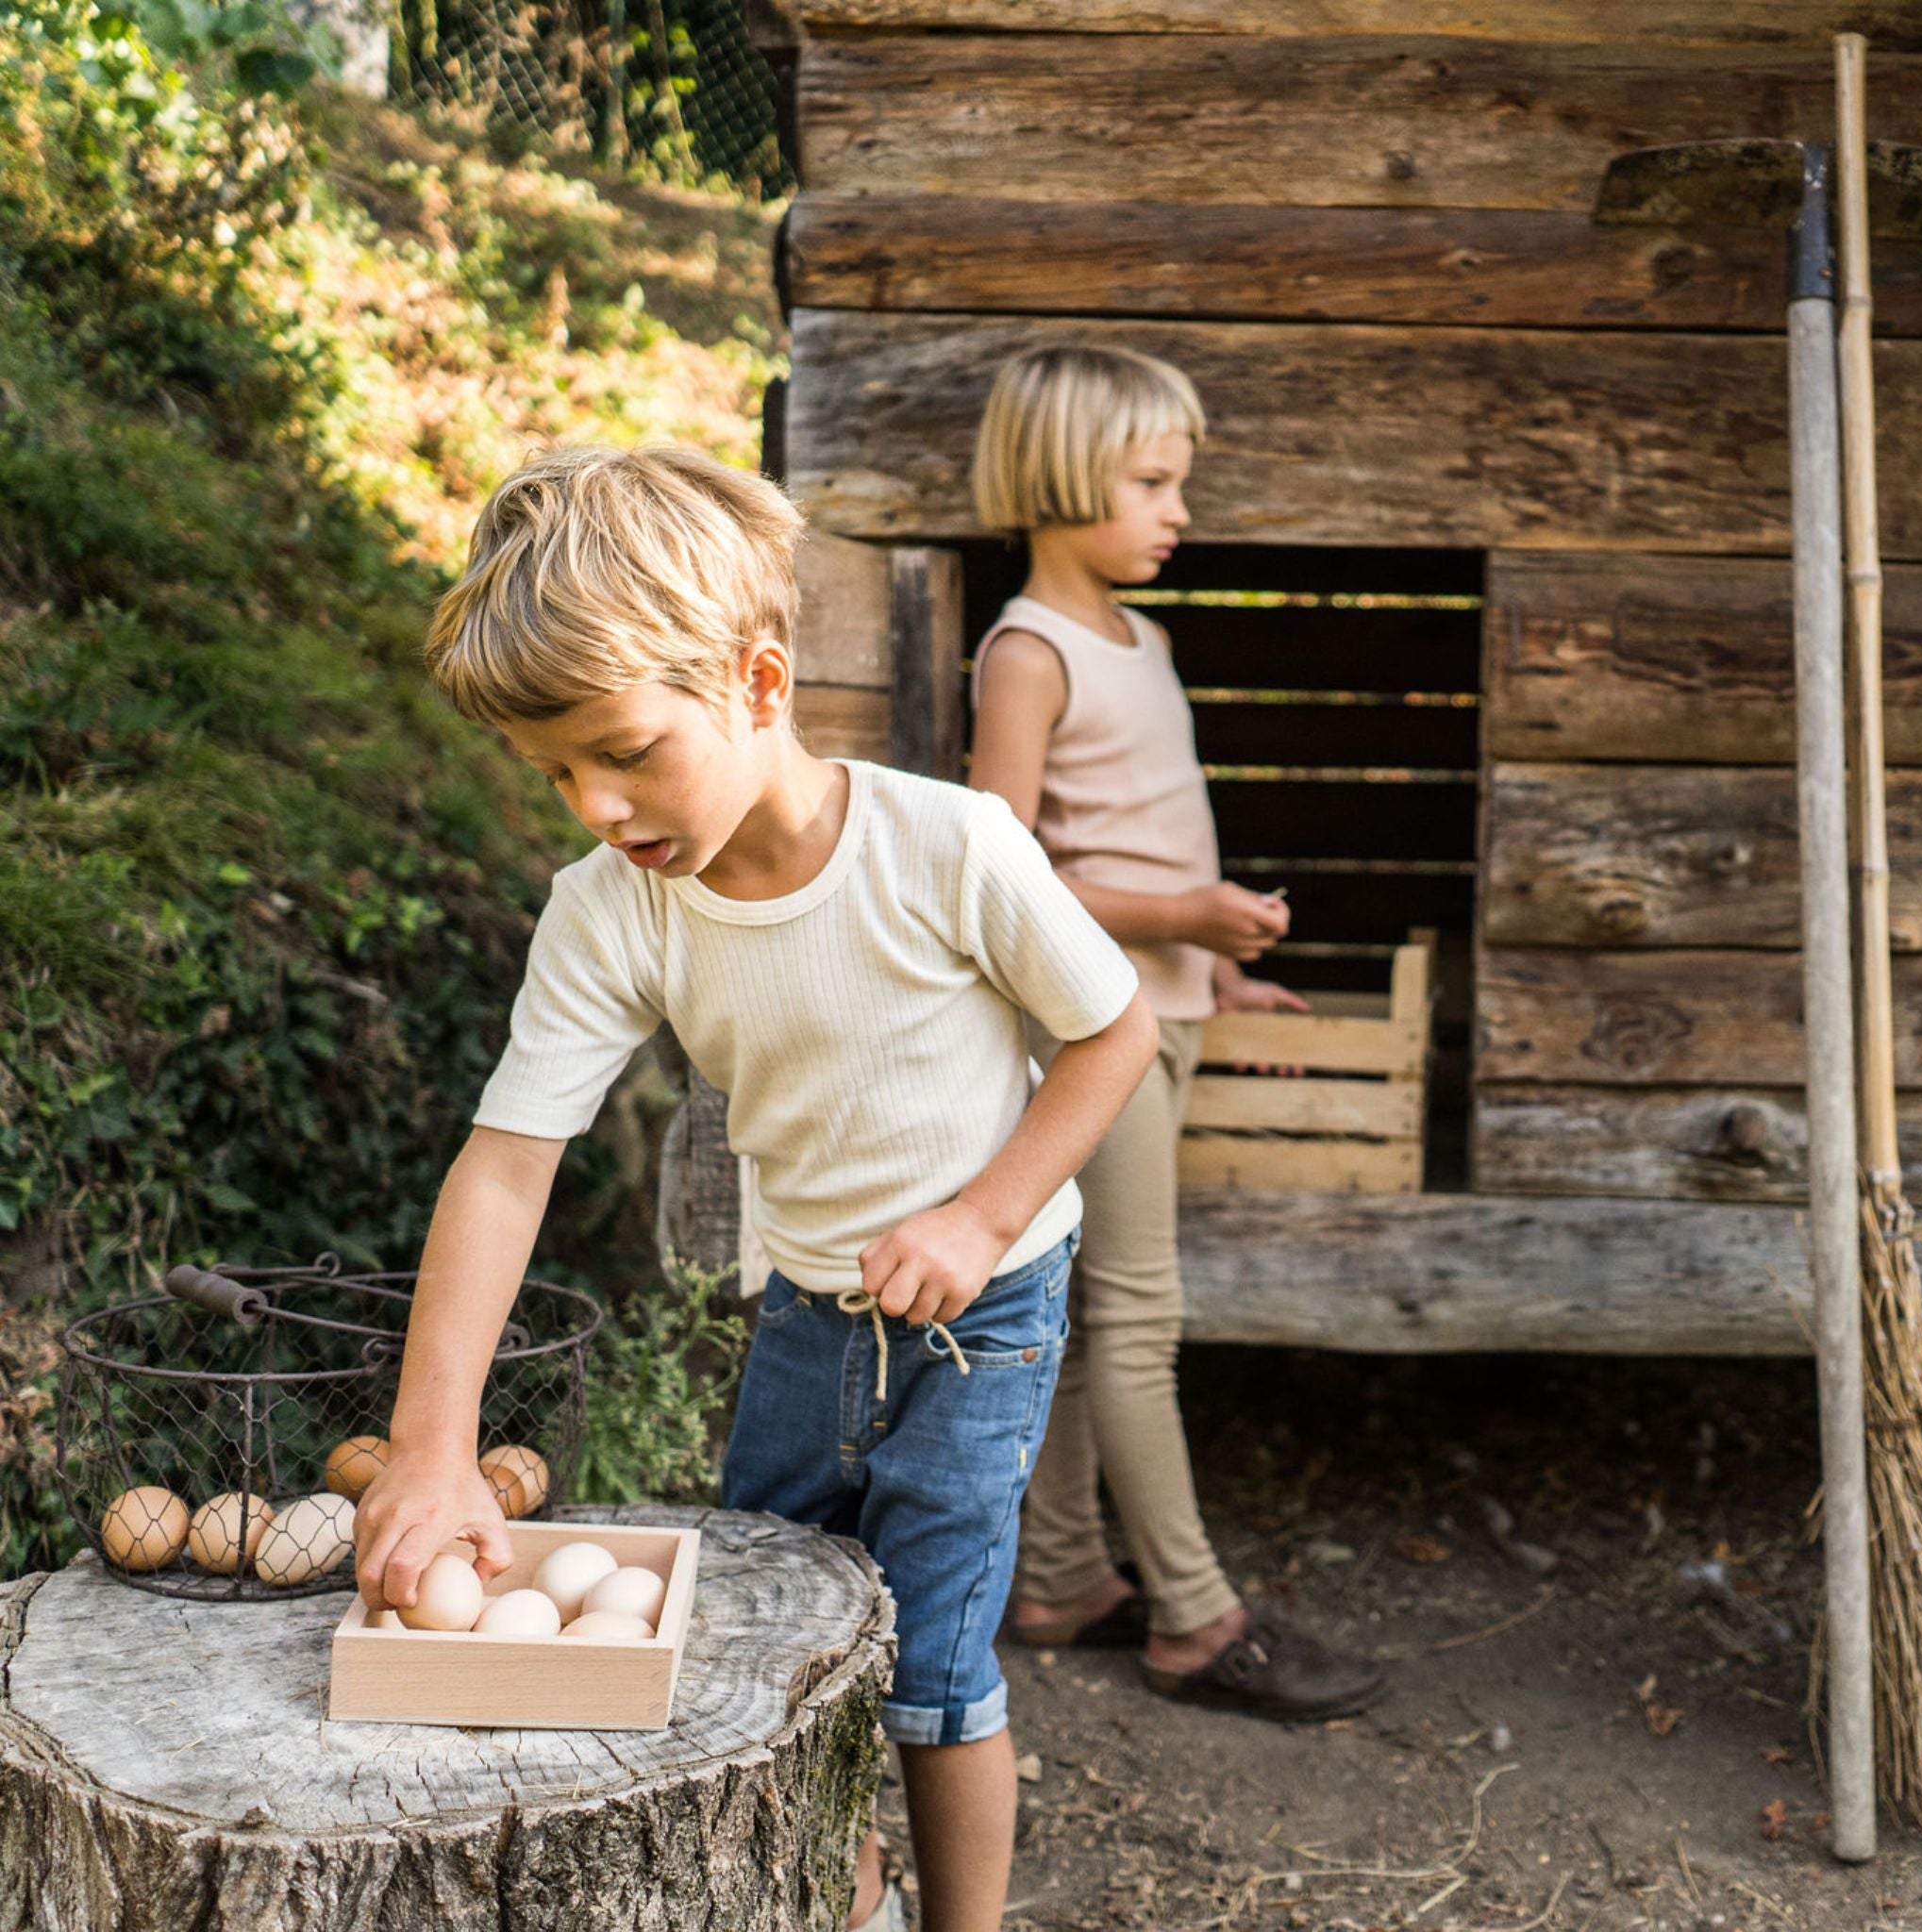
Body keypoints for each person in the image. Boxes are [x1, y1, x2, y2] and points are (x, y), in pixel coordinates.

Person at [351, 443, 1158, 1932]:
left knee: (931, 1674)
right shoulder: (613, 912)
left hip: (986, 1317)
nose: (597, 805)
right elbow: (508, 1165)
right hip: (805, 1312)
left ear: (759, 682)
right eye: (556, 774)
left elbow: (1115, 1033)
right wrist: (432, 1444)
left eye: (624, 751)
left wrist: (980, 1217)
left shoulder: (947, 847)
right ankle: (848, 1910)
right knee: (775, 1642)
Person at [967, 344, 1385, 1723]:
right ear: (1063, 477)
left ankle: (1060, 1579)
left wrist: (1214, 972)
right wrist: (1190, 915)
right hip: (1096, 1033)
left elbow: (1143, 833)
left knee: (1099, 1322)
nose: (1180, 511)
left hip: (1166, 1011)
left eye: (1176, 483)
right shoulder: (1027, 654)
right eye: (1152, 483)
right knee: (1141, 1317)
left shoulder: (1143, 641)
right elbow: (1006, 873)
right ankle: (1196, 1621)